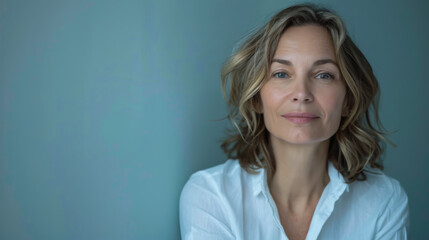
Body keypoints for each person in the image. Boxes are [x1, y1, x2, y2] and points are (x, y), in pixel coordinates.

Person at [179, 4, 409, 240]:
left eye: (323, 75)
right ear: (256, 97)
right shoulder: (210, 196)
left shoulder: (385, 200)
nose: (301, 93)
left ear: (348, 100)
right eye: (281, 74)